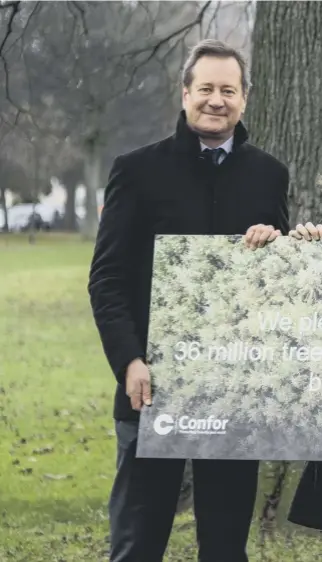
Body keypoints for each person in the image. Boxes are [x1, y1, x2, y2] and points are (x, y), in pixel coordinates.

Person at [88, 39, 292, 562]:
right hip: (149, 387)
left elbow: (279, 288)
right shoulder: (136, 171)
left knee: (225, 546)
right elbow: (107, 279)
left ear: (245, 99)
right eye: (206, 89)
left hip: (232, 388)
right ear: (185, 94)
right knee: (138, 541)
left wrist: (283, 246)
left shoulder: (268, 174)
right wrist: (128, 360)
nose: (216, 100)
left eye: (228, 90)